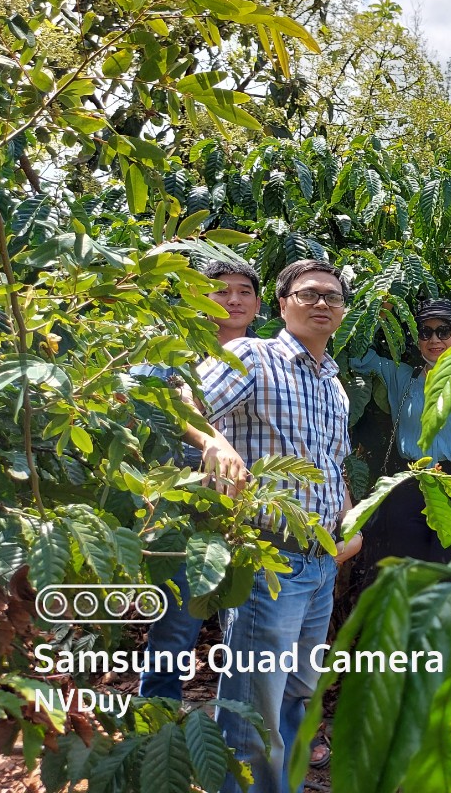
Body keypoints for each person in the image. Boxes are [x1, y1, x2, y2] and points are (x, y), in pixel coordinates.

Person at [187, 259, 362, 793]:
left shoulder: (336, 386)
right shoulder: (253, 357)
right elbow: (181, 397)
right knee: (254, 702)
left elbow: (334, 466)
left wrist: (352, 521)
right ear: (282, 304)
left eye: (332, 297)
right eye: (308, 294)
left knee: (296, 694)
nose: (321, 304)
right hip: (270, 556)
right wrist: (213, 442)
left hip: (321, 564)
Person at [137, 258, 261, 701]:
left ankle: (239, 738)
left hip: (253, 516)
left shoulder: (268, 360)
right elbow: (146, 405)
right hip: (186, 514)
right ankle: (155, 728)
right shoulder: (173, 356)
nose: (233, 299)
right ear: (197, 297)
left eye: (244, 290)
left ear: (260, 302)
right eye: (221, 289)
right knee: (175, 629)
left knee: (252, 635)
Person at [349, 298, 451, 569]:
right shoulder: (401, 377)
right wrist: (380, 314)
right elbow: (357, 357)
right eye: (425, 332)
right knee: (406, 576)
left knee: (448, 577)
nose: (434, 340)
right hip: (409, 486)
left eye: (443, 331)